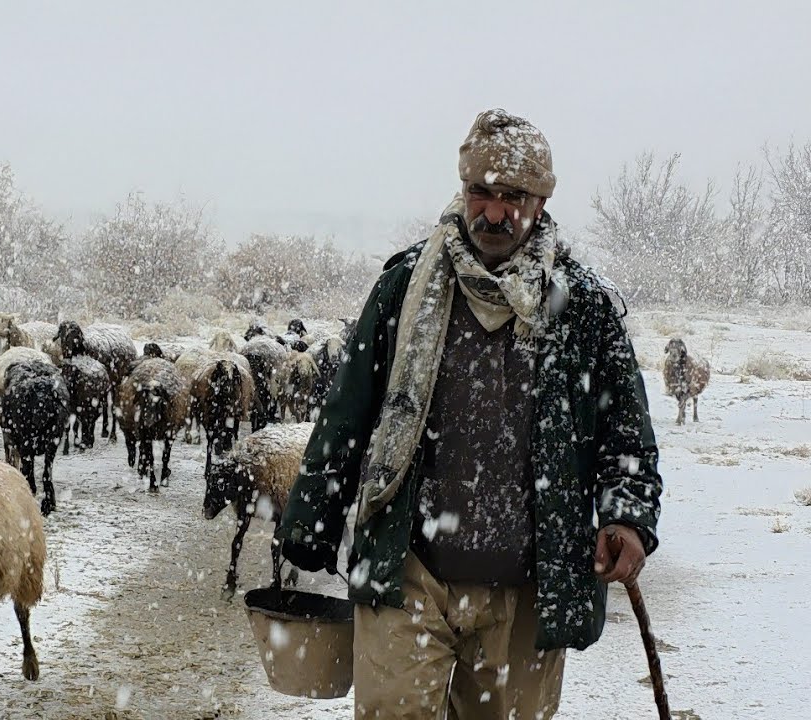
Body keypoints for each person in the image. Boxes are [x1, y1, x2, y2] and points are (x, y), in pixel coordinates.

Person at [276, 109, 662, 720]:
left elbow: (627, 437)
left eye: (512, 196)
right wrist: (311, 517)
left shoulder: (583, 306)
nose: (493, 210)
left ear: (540, 200)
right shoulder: (406, 286)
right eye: (480, 191)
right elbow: (348, 411)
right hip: (409, 572)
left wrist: (630, 518)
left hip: (527, 586)